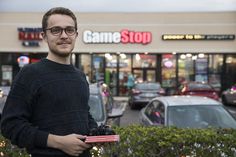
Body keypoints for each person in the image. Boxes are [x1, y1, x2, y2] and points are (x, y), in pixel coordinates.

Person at [0, 7, 98, 157]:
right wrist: (59, 142)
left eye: (69, 30)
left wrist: (96, 134)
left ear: (76, 35)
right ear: (44, 36)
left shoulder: (80, 76)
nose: (64, 35)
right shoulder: (30, 74)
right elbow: (10, 125)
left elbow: (84, 115)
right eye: (56, 30)